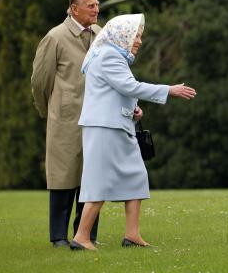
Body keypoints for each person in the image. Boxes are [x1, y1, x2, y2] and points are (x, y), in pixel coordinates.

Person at [69, 14, 196, 251]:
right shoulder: (109, 56)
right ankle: (81, 237)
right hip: (105, 129)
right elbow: (129, 86)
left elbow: (115, 90)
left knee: (136, 177)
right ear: (122, 35)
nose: (138, 40)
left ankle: (132, 235)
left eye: (139, 36)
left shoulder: (111, 55)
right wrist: (169, 90)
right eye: (135, 35)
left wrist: (132, 109)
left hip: (116, 126)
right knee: (100, 182)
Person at [31, 0, 102, 247]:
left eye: (97, 4)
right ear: (74, 8)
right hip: (64, 118)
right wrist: (50, 112)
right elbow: (40, 82)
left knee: (91, 177)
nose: (96, 9)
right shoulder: (55, 37)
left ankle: (86, 236)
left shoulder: (100, 34)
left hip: (96, 118)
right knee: (63, 177)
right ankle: (58, 237)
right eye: (90, 5)